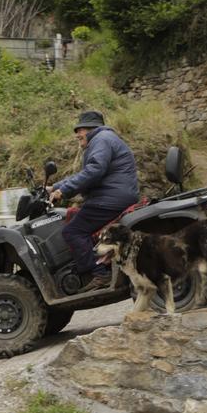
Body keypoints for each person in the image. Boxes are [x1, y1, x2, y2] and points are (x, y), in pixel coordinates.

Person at [49, 110, 139, 292]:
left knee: (73, 232)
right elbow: (87, 172)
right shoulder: (103, 140)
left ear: (90, 129)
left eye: (79, 130)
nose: (76, 135)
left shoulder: (102, 139)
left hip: (110, 199)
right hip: (113, 196)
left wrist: (63, 191)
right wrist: (54, 187)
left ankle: (100, 274)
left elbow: (94, 170)